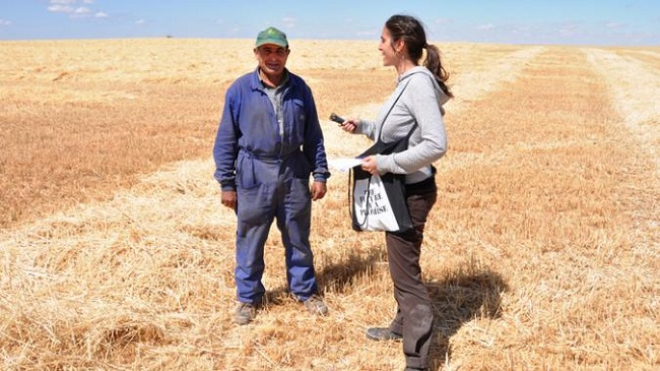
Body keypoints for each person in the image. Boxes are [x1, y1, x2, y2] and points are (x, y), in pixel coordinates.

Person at [338, 15, 452, 371]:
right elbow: (400, 131)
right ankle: (401, 326)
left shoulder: (416, 84)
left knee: (407, 277)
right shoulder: (408, 81)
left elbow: (435, 144)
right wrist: (364, 127)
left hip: (411, 190)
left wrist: (385, 164)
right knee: (403, 264)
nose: (379, 46)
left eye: (383, 39)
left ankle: (417, 361)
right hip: (405, 188)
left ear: (399, 44)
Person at [213, 26, 331, 325]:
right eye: (267, 51)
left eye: (279, 51)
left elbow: (314, 136)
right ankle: (248, 298)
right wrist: (227, 183)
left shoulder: (300, 89)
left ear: (288, 54)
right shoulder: (240, 90)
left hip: (293, 171)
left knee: (298, 237)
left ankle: (305, 291)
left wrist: (320, 173)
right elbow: (226, 139)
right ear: (257, 54)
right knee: (250, 239)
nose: (273, 57)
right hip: (253, 173)